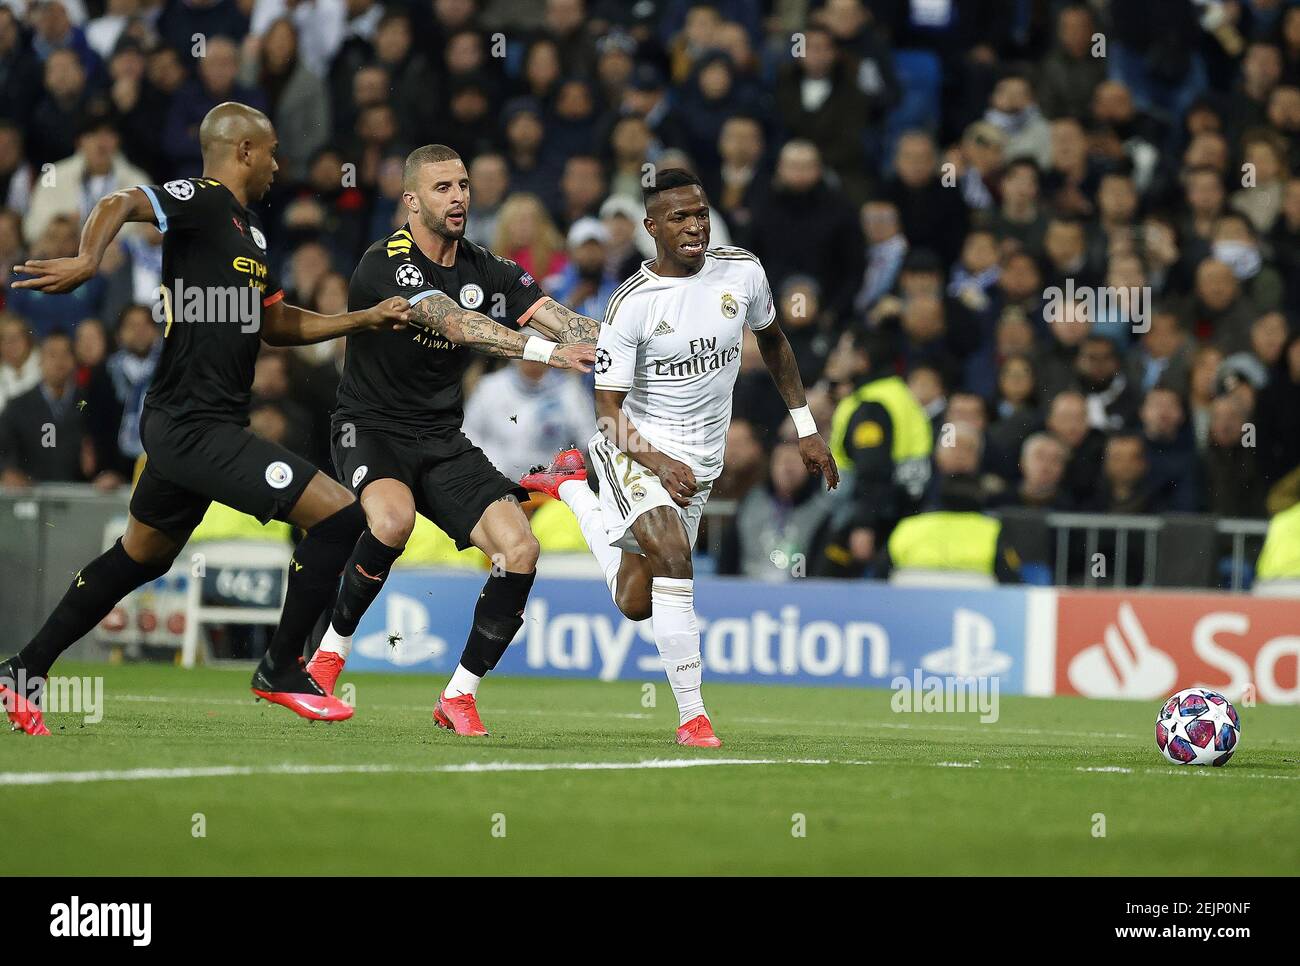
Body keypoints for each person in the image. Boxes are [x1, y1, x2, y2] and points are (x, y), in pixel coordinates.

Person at [0, 103, 411, 736]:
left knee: (141, 556)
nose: (278, 165)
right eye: (271, 152)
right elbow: (121, 201)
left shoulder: (249, 232)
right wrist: (87, 260)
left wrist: (361, 319)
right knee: (340, 514)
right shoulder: (204, 200)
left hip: (192, 425)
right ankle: (281, 667)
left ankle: (21, 674)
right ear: (242, 150)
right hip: (194, 426)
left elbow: (275, 321)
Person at [521, 169, 839, 748]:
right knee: (673, 554)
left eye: (700, 213)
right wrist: (661, 463)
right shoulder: (632, 305)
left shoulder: (742, 271)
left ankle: (569, 487)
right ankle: (693, 717)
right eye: (678, 218)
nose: (694, 226)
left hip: (702, 464)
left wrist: (805, 427)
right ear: (651, 228)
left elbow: (773, 340)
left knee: (636, 602)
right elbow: (608, 412)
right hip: (635, 451)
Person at [308, 144, 597, 737]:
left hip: (441, 436)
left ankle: (459, 695)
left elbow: (559, 319)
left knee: (521, 550)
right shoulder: (384, 263)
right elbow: (455, 322)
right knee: (392, 521)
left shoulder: (486, 267)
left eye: (463, 184)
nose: (459, 196)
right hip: (372, 426)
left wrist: (630, 345)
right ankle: (328, 655)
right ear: (411, 200)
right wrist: (549, 352)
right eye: (443, 188)